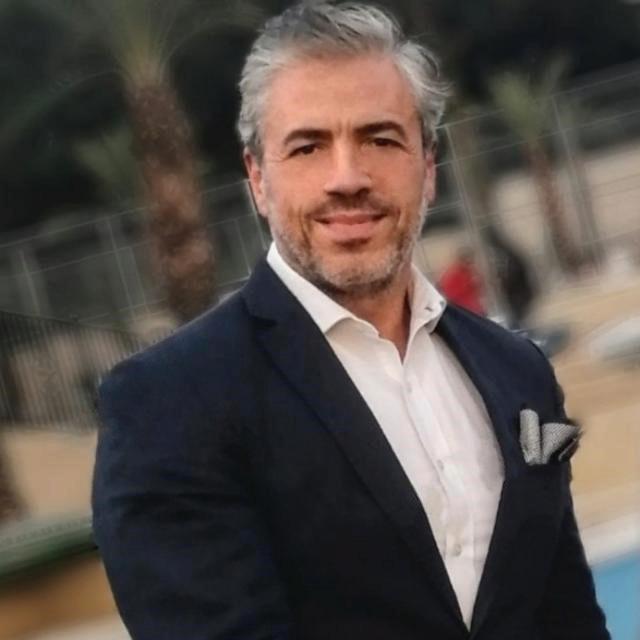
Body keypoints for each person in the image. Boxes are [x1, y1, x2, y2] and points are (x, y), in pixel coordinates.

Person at [92, 3, 610, 639]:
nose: (347, 178)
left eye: (380, 139)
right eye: (308, 146)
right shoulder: (168, 403)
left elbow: (568, 620)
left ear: (428, 167)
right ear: (258, 179)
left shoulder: (518, 370)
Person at [438, 246, 487, 316]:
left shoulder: (470, 270)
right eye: (468, 260)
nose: (471, 262)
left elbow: (479, 290)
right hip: (466, 312)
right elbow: (451, 296)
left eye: (472, 260)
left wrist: (478, 283)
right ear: (461, 259)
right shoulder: (453, 273)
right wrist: (470, 284)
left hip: (476, 310)